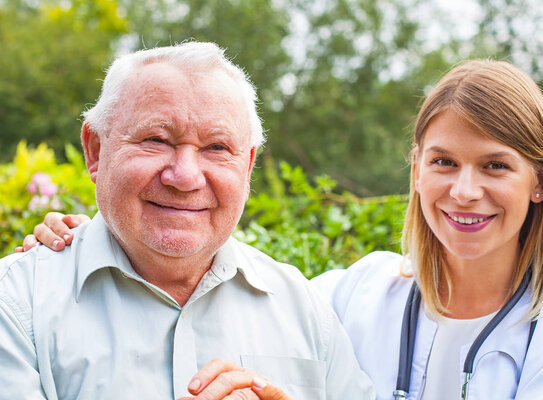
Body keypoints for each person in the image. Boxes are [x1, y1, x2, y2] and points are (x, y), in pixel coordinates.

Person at [21, 60, 543, 399]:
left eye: (496, 165)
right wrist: (91, 241)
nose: (465, 190)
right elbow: (201, 268)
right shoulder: (351, 294)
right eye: (444, 162)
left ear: (540, 182)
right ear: (417, 168)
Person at [0, 42, 376, 400]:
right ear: (95, 150)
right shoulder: (17, 304)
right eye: (157, 139)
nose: (185, 176)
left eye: (216, 148)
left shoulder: (304, 308)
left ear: (247, 166)